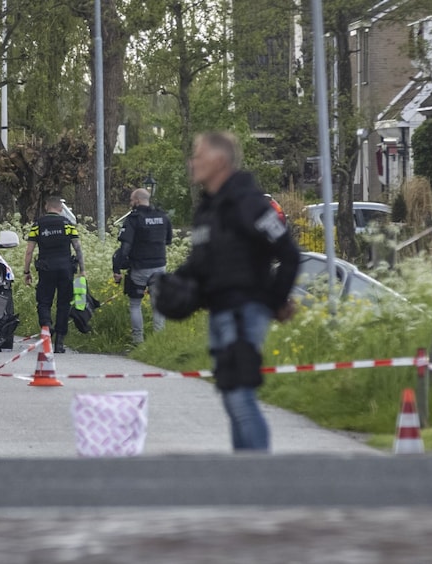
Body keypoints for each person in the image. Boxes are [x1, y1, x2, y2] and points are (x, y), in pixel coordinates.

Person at [174, 131, 301, 452]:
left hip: (246, 312)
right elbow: (201, 263)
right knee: (232, 397)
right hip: (219, 312)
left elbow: (289, 254)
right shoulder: (208, 210)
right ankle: (243, 475)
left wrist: (273, 301)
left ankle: (256, 478)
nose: (193, 163)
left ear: (219, 161)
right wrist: (176, 287)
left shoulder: (250, 205)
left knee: (241, 397)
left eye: (198, 156)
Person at [23, 197, 84, 353]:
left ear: (46, 207)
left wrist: (26, 271)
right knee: (64, 304)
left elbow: (29, 251)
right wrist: (82, 270)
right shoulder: (68, 224)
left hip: (46, 268)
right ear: (61, 208)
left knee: (44, 302)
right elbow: (77, 248)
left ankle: (46, 326)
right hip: (66, 269)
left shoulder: (38, 225)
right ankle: (59, 342)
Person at [112, 188, 173, 345]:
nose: (131, 203)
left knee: (135, 304)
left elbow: (125, 247)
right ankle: (159, 341)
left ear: (137, 201)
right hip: (159, 266)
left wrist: (117, 269)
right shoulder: (162, 216)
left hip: (140, 267)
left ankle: (138, 340)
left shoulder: (134, 219)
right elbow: (168, 240)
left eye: (132, 200)